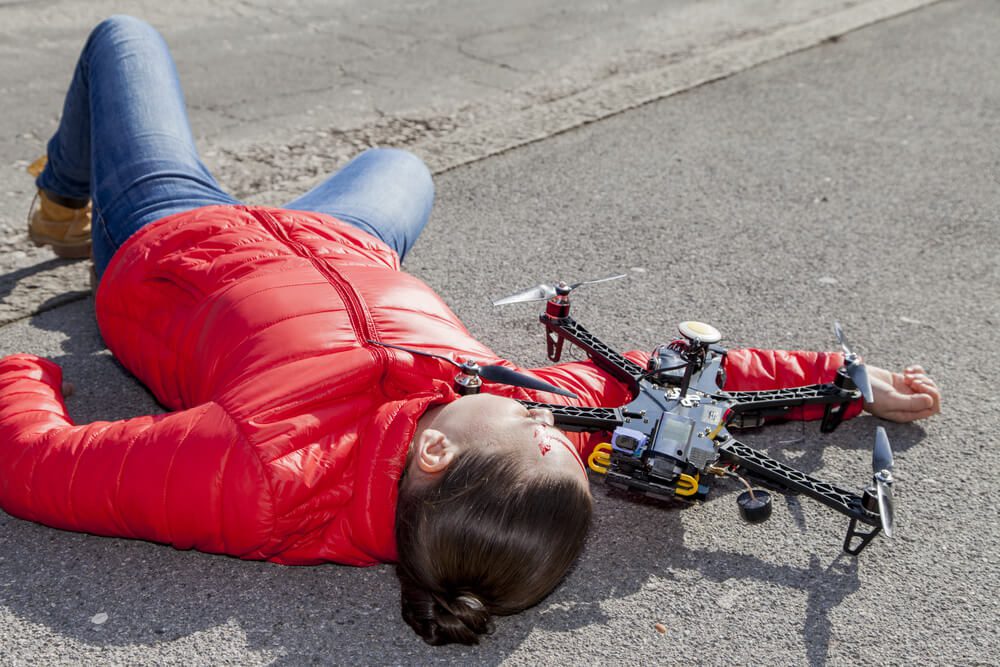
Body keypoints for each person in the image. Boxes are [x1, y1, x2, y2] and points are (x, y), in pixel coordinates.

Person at [0, 16, 941, 646]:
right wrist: (843, 378)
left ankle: (66, 191)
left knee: (123, 39)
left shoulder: (258, 476)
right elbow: (681, 385)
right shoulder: (521, 420)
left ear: (440, 452)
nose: (560, 419)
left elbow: (37, 465)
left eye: (546, 432)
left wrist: (31, 373)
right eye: (565, 438)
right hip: (346, 241)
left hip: (179, 243)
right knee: (401, 161)